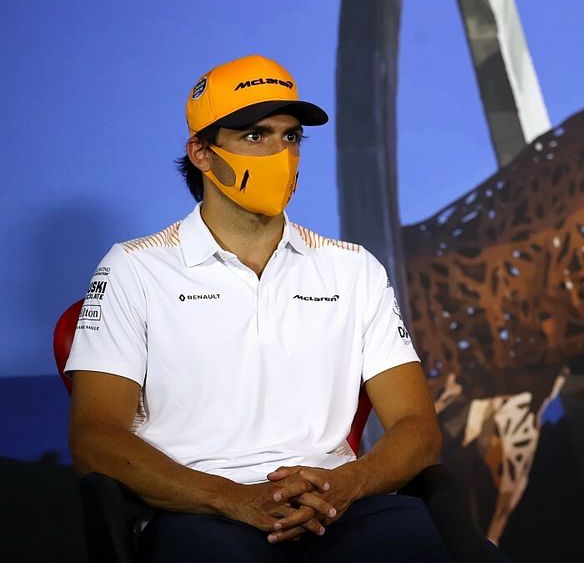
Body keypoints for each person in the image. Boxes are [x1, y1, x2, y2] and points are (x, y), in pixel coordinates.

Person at [66, 54, 451, 561]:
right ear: (201, 153)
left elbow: (417, 428)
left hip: (335, 504)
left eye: (290, 137)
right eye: (255, 136)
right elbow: (95, 437)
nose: (280, 154)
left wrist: (347, 485)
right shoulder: (135, 269)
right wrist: (234, 500)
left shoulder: (353, 269)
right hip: (199, 511)